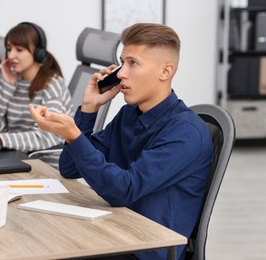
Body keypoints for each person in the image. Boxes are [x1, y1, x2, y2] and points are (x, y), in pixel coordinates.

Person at [29, 23, 214, 260]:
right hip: (115, 231)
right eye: (122, 62)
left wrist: (74, 134)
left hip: (144, 250)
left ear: (165, 72)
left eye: (133, 63)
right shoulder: (129, 114)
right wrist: (88, 109)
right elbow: (69, 168)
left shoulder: (186, 133)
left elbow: (123, 190)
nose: (122, 73)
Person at [0, 22, 73, 168]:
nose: (11, 56)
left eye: (19, 50)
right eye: (9, 49)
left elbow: (47, 136)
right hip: (17, 158)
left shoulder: (52, 84)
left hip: (45, 166)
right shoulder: (14, 80)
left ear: (37, 53)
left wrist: (0, 139)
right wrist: (7, 84)